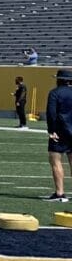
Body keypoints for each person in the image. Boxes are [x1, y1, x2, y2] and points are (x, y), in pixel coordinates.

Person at [45, 69, 72, 204]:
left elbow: (51, 113)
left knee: (56, 162)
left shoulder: (55, 93)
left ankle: (60, 193)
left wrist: (51, 130)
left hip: (60, 131)